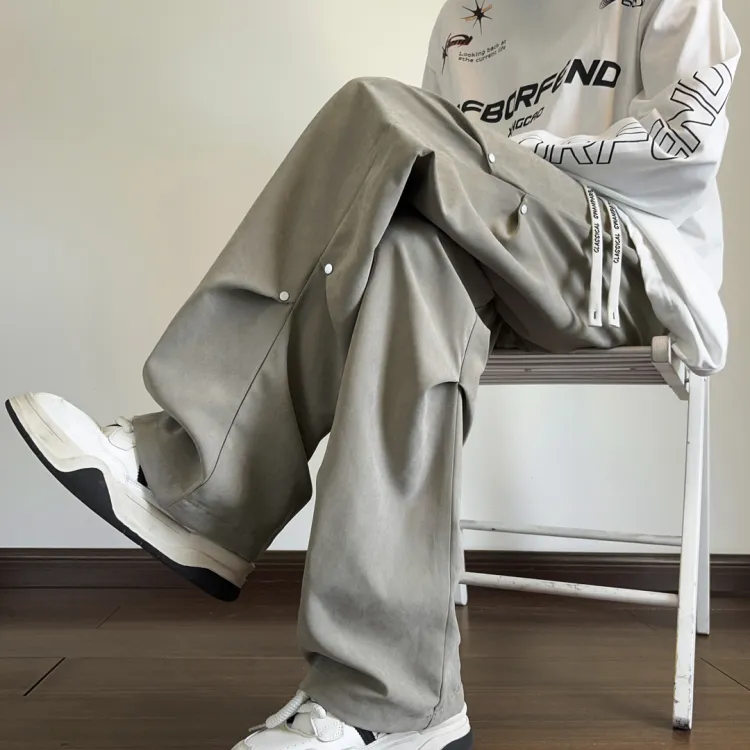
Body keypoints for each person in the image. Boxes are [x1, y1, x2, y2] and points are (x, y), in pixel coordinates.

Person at [6, 1, 740, 749]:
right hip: (500, 265)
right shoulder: (469, 18)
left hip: (622, 265)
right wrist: (474, 160)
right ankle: (392, 700)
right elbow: (427, 183)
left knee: (378, 112)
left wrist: (513, 153)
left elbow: (682, 153)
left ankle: (203, 473)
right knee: (408, 256)